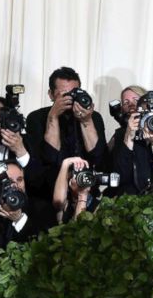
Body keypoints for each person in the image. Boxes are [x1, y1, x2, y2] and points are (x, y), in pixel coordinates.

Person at [25, 67, 107, 200]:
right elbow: (50, 157)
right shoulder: (36, 118)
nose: (70, 98)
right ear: (51, 94)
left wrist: (86, 121)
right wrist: (53, 117)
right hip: (47, 192)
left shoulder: (94, 117)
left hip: (85, 189)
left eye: (74, 93)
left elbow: (97, 156)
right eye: (64, 94)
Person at [0, 161, 55, 260]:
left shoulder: (41, 208)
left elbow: (43, 246)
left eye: (20, 180)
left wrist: (19, 220)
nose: (15, 185)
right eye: (9, 182)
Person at [108, 87, 153, 195]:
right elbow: (118, 179)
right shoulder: (122, 135)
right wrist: (128, 138)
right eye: (126, 102)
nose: (152, 118)